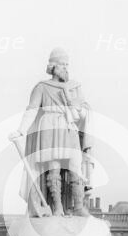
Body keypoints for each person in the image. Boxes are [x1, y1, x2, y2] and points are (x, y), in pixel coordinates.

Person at [10, 48, 93, 217]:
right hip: (49, 128)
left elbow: (85, 111)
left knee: (75, 167)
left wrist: (78, 109)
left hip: (69, 127)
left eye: (67, 64)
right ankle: (57, 207)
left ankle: (78, 206)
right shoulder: (42, 87)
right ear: (53, 66)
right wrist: (21, 130)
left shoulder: (75, 87)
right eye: (62, 64)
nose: (65, 68)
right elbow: (32, 110)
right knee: (53, 168)